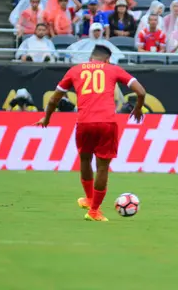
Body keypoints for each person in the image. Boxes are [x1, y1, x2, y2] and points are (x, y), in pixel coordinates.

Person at [35, 44, 147, 222]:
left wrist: (47, 118)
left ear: (90, 58)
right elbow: (141, 91)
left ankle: (88, 199)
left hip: (84, 123)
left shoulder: (75, 70)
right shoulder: (113, 69)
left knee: (85, 159)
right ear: (107, 60)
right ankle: (94, 211)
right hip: (106, 123)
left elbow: (54, 98)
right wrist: (139, 108)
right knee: (102, 167)